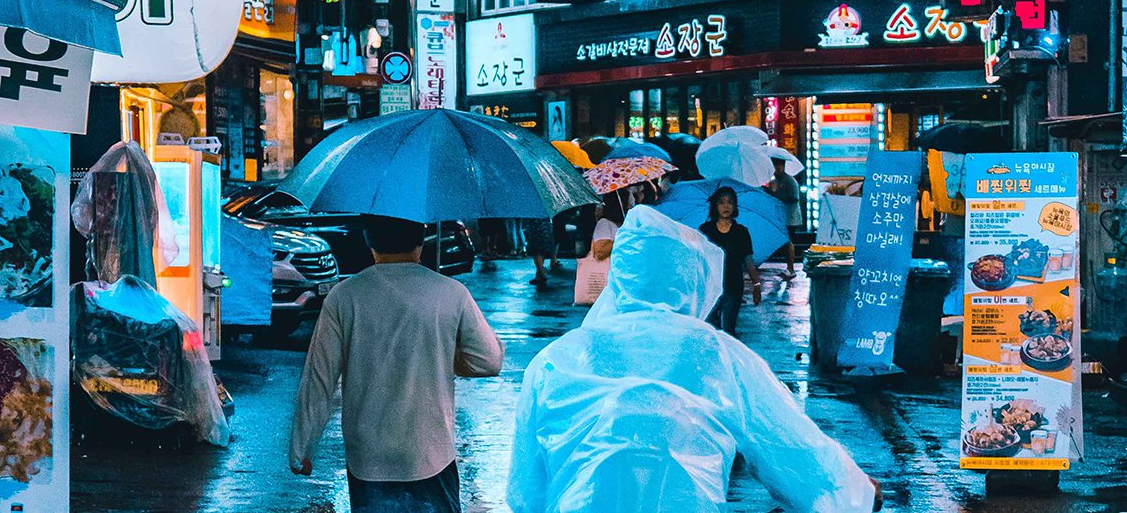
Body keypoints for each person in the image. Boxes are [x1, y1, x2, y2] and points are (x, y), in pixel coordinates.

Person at [508, 207, 879, 512]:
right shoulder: (716, 355)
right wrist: (855, 491)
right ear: (691, 279)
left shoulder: (555, 360)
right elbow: (793, 447)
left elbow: (525, 493)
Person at [290, 215, 504, 512]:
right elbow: (490, 360)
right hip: (431, 454)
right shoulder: (451, 293)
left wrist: (301, 449)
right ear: (421, 240)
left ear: (368, 240)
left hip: (369, 459)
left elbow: (319, 379)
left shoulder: (345, 296)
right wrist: (445, 353)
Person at [699, 187, 760, 336]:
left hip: (733, 286)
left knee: (728, 331)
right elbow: (699, 259)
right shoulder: (705, 230)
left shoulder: (741, 232)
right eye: (721, 203)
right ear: (715, 206)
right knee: (710, 331)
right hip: (710, 286)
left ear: (735, 206)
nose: (726, 207)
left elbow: (748, 261)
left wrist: (756, 284)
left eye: (730, 203)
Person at [769, 156, 803, 280]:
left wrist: (777, 196)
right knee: (785, 243)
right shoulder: (776, 181)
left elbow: (794, 198)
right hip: (782, 217)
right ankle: (788, 268)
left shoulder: (789, 181)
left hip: (791, 218)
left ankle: (791, 269)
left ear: (783, 166)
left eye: (778, 166)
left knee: (788, 242)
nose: (776, 169)